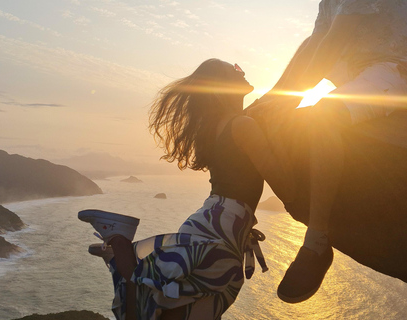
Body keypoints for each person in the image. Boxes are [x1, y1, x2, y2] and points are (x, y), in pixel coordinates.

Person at [79, 58, 296, 319]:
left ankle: (119, 248)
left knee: (178, 304)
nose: (243, 71)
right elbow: (282, 179)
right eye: (235, 70)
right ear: (219, 86)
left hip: (215, 220)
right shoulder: (242, 125)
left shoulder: (217, 128)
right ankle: (120, 244)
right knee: (177, 296)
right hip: (223, 227)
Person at [247, 0, 407, 304]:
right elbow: (317, 43)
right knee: (310, 43)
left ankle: (317, 242)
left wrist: (287, 102)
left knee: (323, 116)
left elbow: (335, 41)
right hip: (360, 68)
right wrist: (271, 100)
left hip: (397, 68)